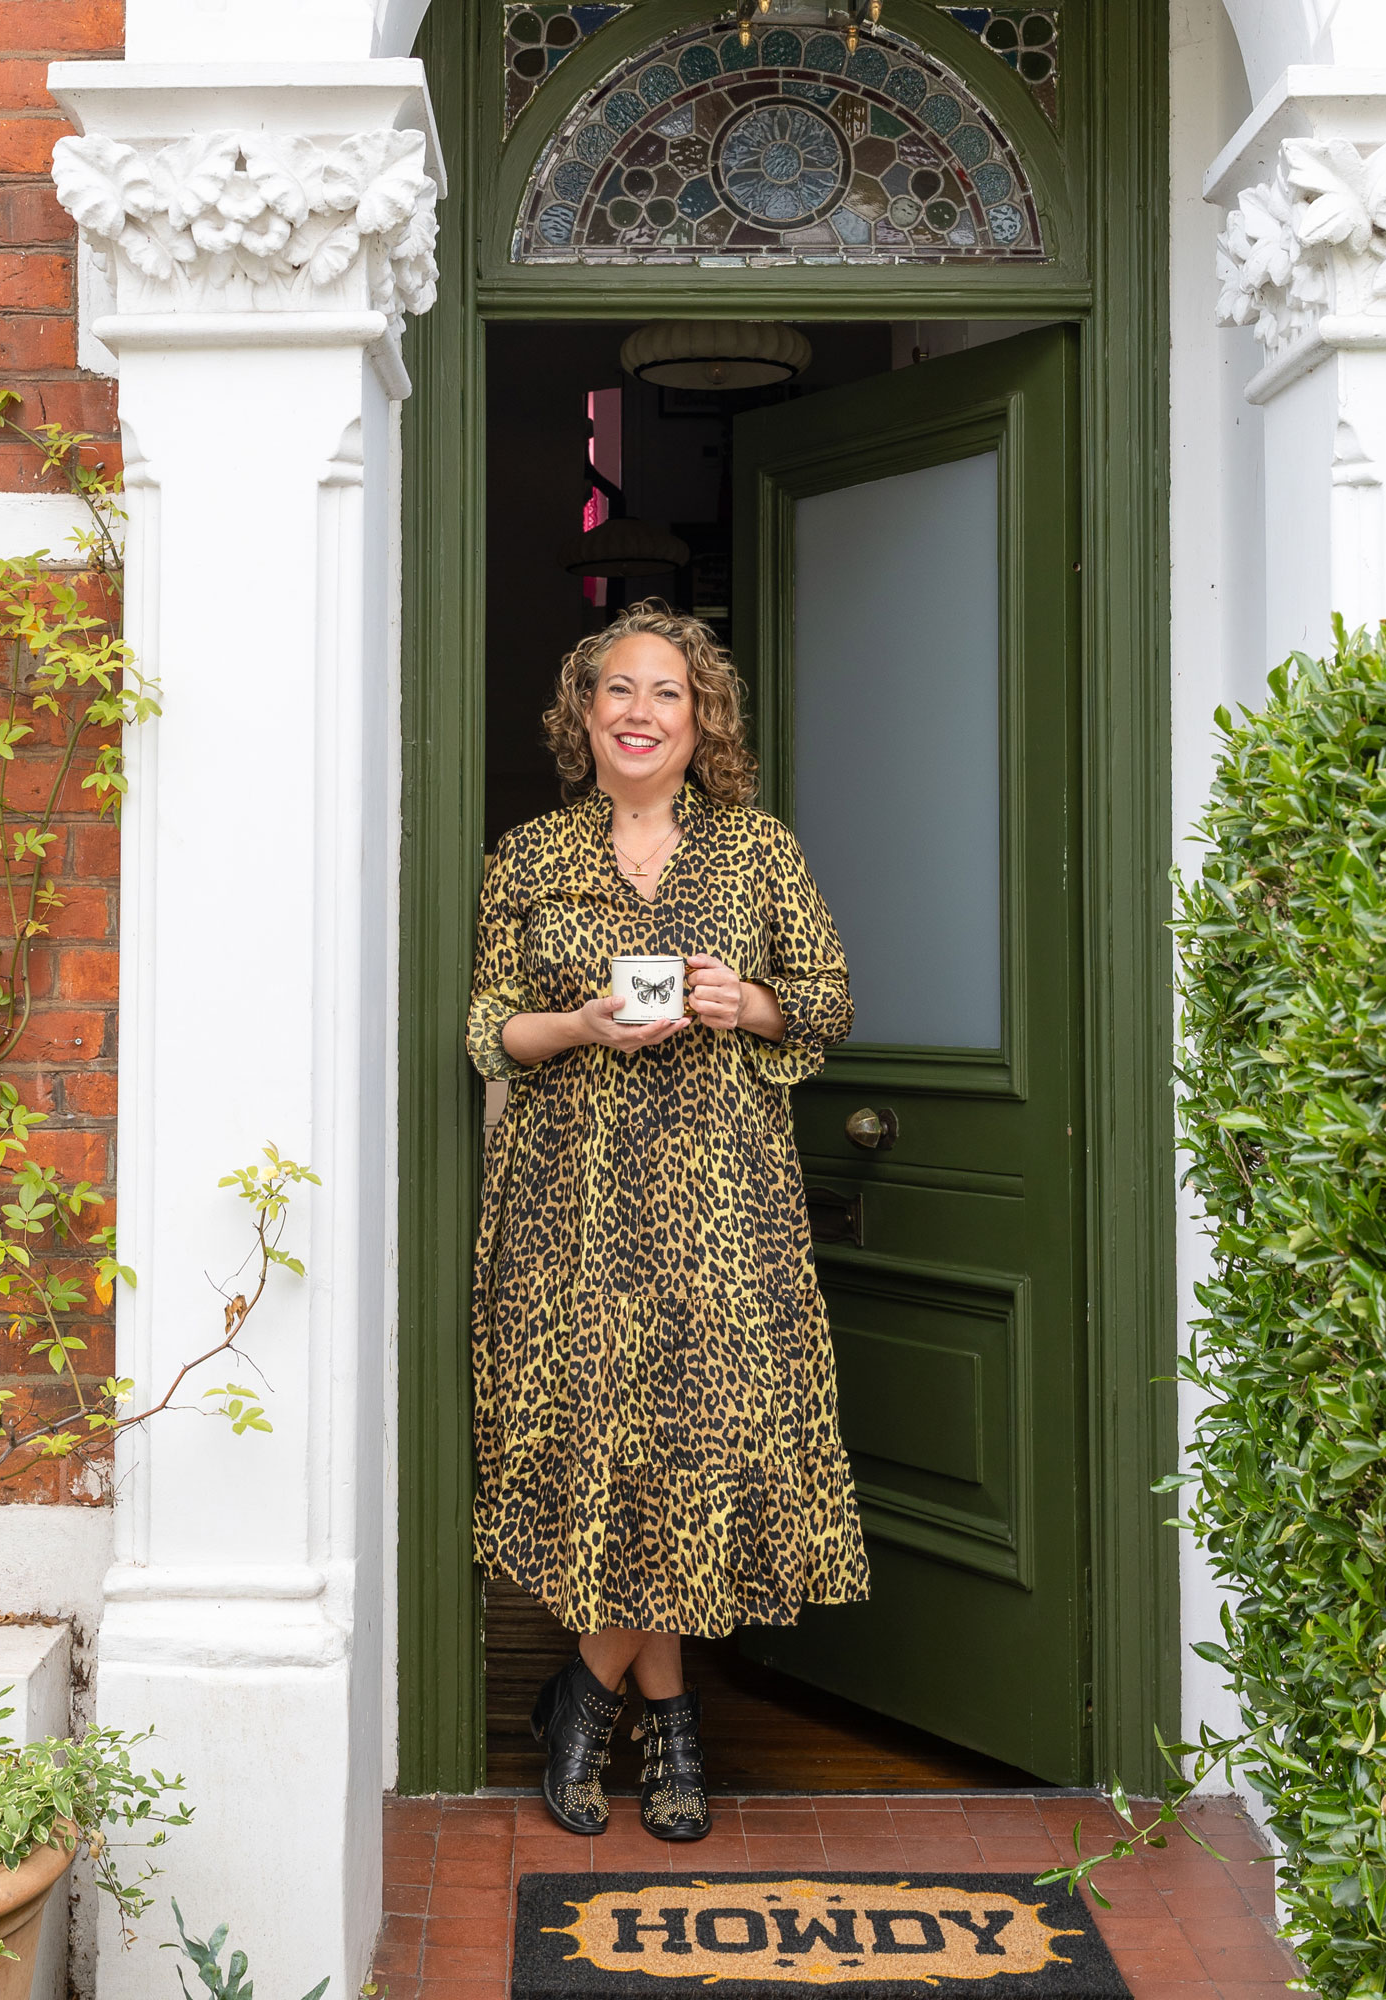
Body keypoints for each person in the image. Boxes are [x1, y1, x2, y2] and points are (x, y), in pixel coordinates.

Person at [466, 601, 870, 1843]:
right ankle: (670, 1715)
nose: (641, 713)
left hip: (720, 1199)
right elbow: (487, 1027)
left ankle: (585, 1698)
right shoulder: (527, 856)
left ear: (703, 724)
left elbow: (827, 1000)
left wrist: (748, 1001)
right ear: (582, 713)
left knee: (700, 1454)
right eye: (618, 691)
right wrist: (580, 1023)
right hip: (569, 1208)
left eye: (668, 695)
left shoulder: (755, 853)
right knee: (612, 1449)